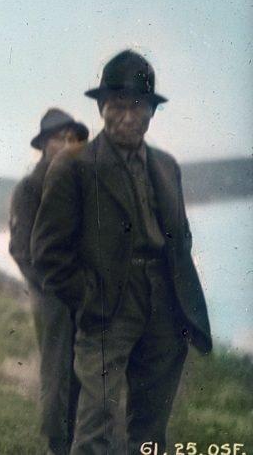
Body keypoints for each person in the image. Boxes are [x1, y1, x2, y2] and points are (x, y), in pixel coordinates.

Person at [31, 50, 212, 454]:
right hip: (107, 305)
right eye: (117, 106)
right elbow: (47, 254)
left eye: (138, 106)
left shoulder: (167, 166)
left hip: (164, 303)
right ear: (100, 108)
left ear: (152, 112)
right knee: (98, 426)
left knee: (150, 430)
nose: (127, 117)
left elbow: (180, 239)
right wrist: (88, 297)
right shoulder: (75, 166)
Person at [9, 108, 88, 455]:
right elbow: (20, 250)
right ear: (43, 145)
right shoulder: (29, 187)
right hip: (52, 297)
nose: (67, 144)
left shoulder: (79, 181)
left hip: (82, 294)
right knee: (57, 374)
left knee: (86, 373)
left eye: (73, 138)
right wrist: (52, 288)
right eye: (59, 138)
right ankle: (58, 444)